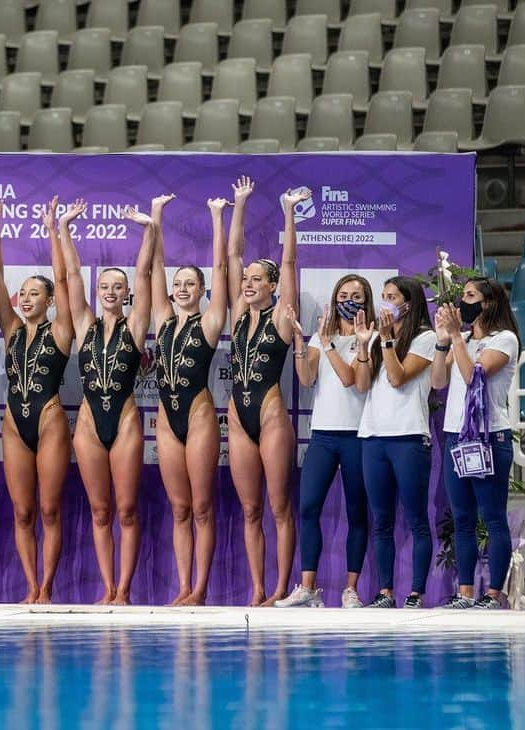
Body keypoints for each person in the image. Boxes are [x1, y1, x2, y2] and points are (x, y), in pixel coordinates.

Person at [58, 199, 155, 605]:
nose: (111, 292)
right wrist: (64, 227)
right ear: (98, 292)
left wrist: (148, 228)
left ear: (126, 293)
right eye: (105, 287)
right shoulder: (84, 324)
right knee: (100, 511)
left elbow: (145, 272)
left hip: (126, 419)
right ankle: (107, 588)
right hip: (88, 423)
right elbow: (72, 274)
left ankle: (125, 591)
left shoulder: (135, 326)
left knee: (127, 510)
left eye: (118, 287)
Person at [226, 177, 310, 606]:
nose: (247, 283)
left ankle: (281, 587)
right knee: (250, 511)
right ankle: (258, 589)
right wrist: (240, 203)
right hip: (238, 419)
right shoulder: (239, 313)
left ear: (272, 286)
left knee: (279, 508)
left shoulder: (280, 316)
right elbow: (233, 254)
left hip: (270, 414)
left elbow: (291, 263)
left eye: (257, 279)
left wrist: (289, 213)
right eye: (246, 279)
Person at [0, 196, 73, 603]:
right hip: (13, 426)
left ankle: (48, 587)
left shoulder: (60, 331)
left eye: (34, 293)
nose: (24, 298)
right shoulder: (11, 329)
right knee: (22, 512)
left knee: (49, 509)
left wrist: (54, 230)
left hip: (49, 419)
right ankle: (30, 586)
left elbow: (65, 279)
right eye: (22, 293)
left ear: (49, 300)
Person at [275, 276, 377, 608]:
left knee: (356, 512)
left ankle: (350, 589)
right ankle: (308, 588)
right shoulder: (323, 336)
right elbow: (306, 378)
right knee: (307, 508)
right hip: (322, 434)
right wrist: (301, 342)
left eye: (356, 296)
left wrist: (332, 345)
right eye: (343, 295)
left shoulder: (372, 337)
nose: (349, 300)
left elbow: (353, 381)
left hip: (358, 436)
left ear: (366, 300)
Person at [150, 193, 228, 606]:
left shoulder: (211, 321)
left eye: (189, 284)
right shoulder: (162, 317)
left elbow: (220, 266)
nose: (181, 289)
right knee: (179, 509)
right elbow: (154, 272)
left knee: (201, 507)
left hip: (197, 415)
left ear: (202, 290)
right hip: (166, 419)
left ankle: (200, 589)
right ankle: (183, 586)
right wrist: (156, 219)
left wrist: (216, 217)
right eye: (178, 284)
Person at [431, 278, 521, 610]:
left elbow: (473, 378)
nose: (463, 301)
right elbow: (438, 382)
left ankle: (494, 594)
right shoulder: (464, 340)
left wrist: (456, 338)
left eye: (470, 296)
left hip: (488, 436)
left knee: (492, 516)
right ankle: (465, 592)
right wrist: (444, 344)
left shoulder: (505, 340)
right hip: (456, 435)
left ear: (489, 303)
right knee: (462, 518)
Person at [355, 276, 437, 608]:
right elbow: (362, 385)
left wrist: (387, 341)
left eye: (392, 296)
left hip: (408, 436)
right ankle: (385, 592)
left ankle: (416, 592)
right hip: (373, 436)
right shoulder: (376, 336)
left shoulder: (426, 338)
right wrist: (364, 345)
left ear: (409, 302)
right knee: (381, 520)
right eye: (383, 296)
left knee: (416, 518)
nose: (385, 302)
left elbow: (397, 376)